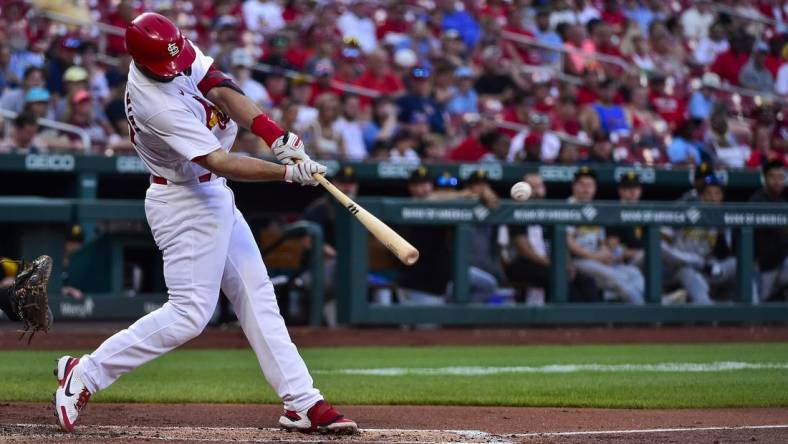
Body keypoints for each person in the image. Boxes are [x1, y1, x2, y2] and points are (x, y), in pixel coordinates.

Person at [52, 13, 357, 435]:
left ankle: (302, 402)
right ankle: (86, 373)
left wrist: (274, 134)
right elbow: (218, 161)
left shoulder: (171, 48)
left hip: (212, 195)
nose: (176, 69)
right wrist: (286, 174)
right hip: (184, 200)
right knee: (189, 315)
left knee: (257, 297)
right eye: (168, 66)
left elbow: (218, 86)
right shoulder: (153, 103)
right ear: (142, 62)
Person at [503, 174, 599, 304]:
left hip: (549, 262)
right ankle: (567, 318)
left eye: (539, 186)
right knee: (557, 277)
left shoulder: (549, 210)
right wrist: (553, 264)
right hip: (522, 263)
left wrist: (566, 263)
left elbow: (561, 243)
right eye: (532, 187)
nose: (537, 191)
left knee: (587, 280)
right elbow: (524, 250)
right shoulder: (517, 212)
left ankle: (591, 319)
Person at [566, 167, 645, 304]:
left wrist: (606, 253)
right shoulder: (567, 207)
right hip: (579, 260)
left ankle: (647, 310)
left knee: (633, 273)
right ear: (574, 187)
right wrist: (595, 256)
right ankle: (647, 317)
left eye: (590, 185)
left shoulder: (596, 209)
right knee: (618, 279)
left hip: (598, 259)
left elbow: (602, 241)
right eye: (582, 184)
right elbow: (567, 242)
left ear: (595, 188)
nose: (586, 189)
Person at [749, 159, 788, 301]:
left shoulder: (783, 203)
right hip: (762, 266)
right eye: (773, 177)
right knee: (758, 306)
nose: (777, 181)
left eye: (781, 177)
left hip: (782, 264)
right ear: (764, 178)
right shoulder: (756, 201)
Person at [0, 255, 52, 343]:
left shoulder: (5, 264)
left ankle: (14, 304)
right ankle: (13, 302)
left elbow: (20, 271)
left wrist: (13, 281)